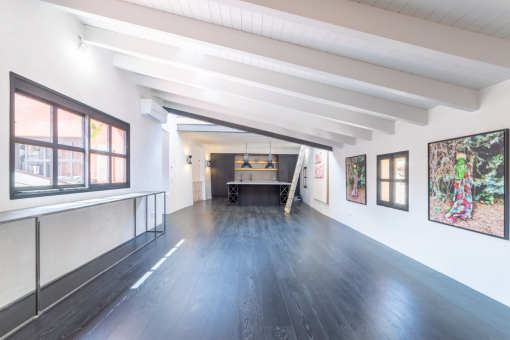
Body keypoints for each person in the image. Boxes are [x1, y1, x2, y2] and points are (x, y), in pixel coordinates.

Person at [445, 152, 473, 223]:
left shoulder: (456, 165)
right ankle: (465, 210)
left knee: (458, 197)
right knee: (466, 197)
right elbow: (469, 176)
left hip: (458, 184)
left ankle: (457, 209)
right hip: (466, 185)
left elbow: (454, 175)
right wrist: (470, 182)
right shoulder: (466, 165)